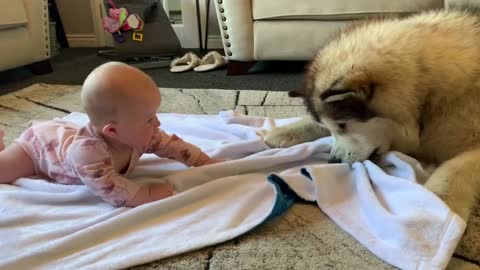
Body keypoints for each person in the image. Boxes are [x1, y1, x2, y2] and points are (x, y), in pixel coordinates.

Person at [0, 62, 221, 207]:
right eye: (148, 119)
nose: (158, 123)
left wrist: (204, 161)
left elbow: (174, 146)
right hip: (40, 149)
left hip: (61, 136)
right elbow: (111, 189)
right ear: (113, 131)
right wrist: (146, 196)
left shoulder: (143, 135)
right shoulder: (87, 153)